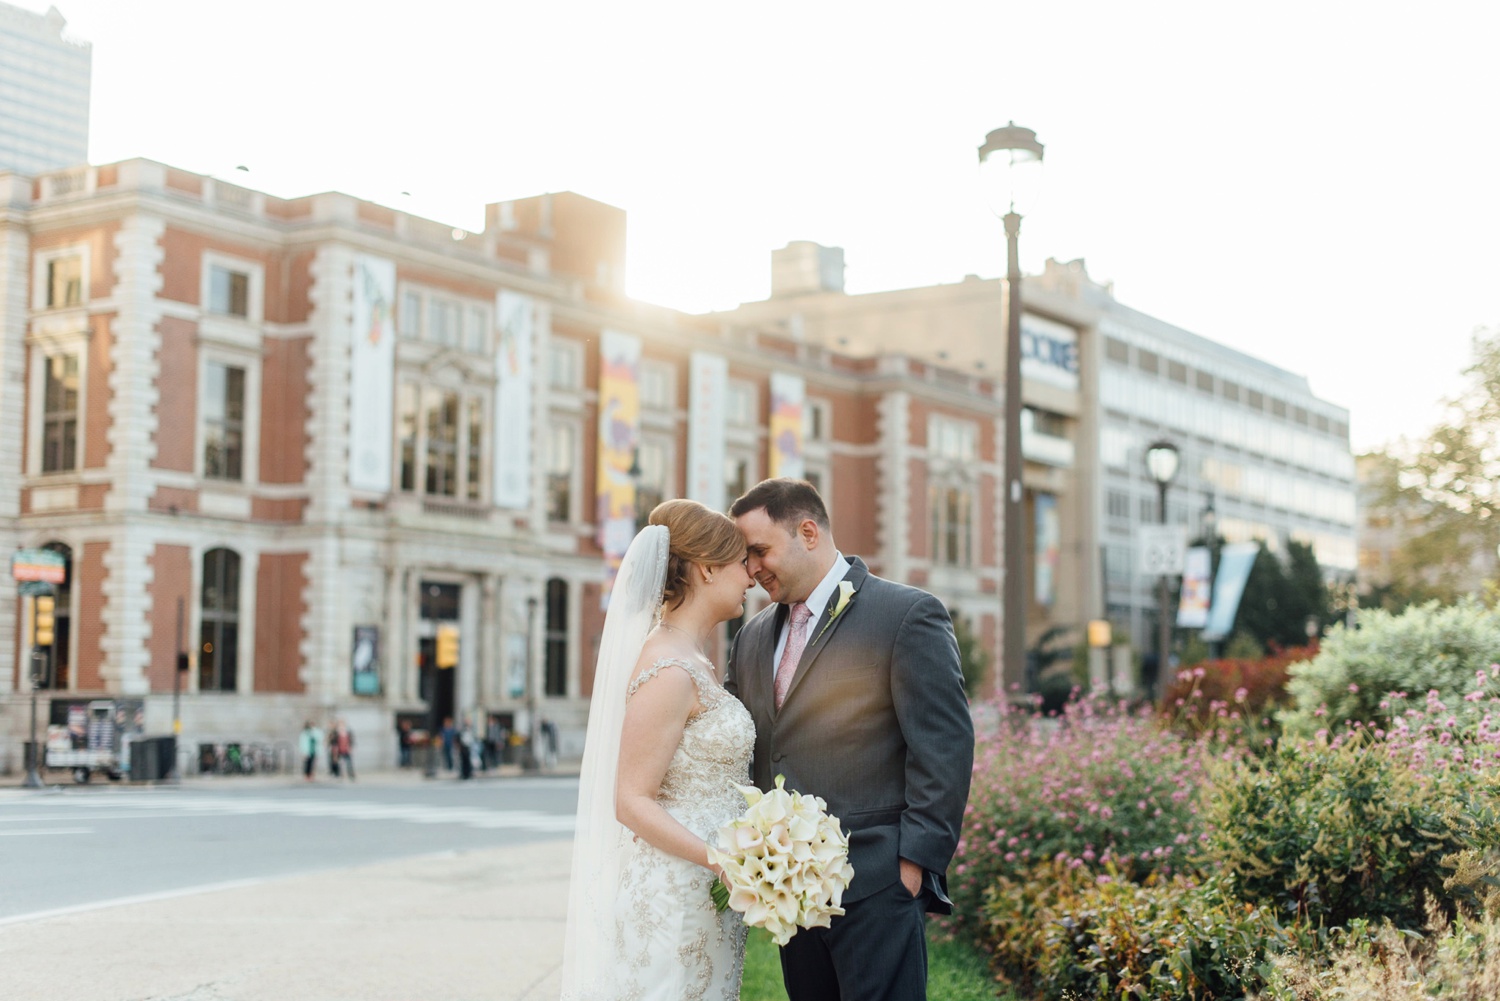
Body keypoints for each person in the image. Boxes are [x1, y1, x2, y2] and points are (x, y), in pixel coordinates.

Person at [727, 478, 974, 1001]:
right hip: (790, 895)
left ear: (809, 532)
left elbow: (944, 747)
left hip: (880, 885)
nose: (751, 569)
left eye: (759, 551)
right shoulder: (750, 637)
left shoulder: (907, 615)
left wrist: (914, 866)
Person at [560, 499, 756, 1000]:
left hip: (705, 891)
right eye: (740, 562)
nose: (751, 575)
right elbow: (631, 800)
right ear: (709, 570)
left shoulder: (694, 657)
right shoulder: (670, 668)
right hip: (676, 896)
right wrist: (721, 860)